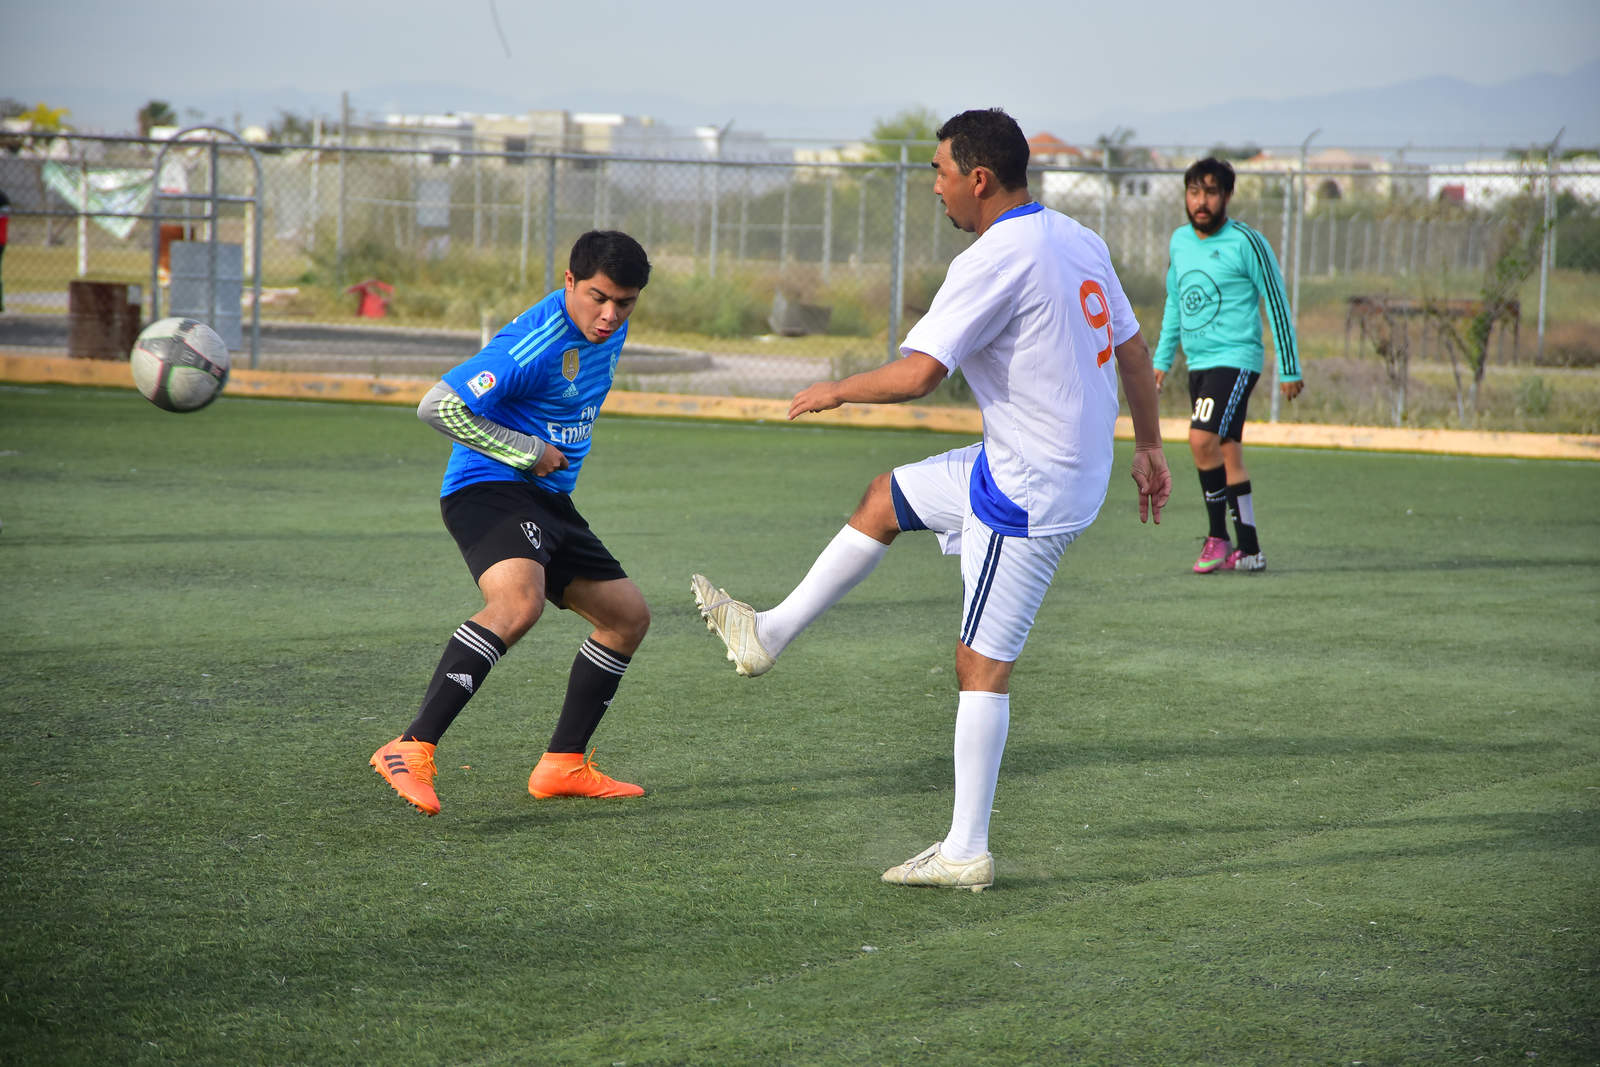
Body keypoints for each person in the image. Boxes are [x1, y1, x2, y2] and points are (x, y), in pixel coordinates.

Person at [690, 109, 1171, 891]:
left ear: (979, 179)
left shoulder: (995, 257)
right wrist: (1149, 447)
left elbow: (919, 375)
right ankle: (765, 634)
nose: (937, 189)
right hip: (1034, 461)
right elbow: (1133, 348)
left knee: (979, 664)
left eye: (942, 174)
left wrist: (837, 388)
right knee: (884, 497)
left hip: (1027, 491)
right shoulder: (1076, 238)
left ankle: (964, 850)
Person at [370, 230, 653, 816]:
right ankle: (410, 747)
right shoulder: (534, 341)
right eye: (598, 297)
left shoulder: (611, 324)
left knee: (626, 618)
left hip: (549, 498)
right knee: (518, 605)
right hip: (488, 488)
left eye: (624, 303)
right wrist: (525, 449)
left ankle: (562, 765)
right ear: (569, 281)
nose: (609, 316)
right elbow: (437, 406)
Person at [1153, 157, 1303, 574]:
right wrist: (1162, 360)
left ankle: (1217, 539)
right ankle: (1250, 550)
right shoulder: (1180, 242)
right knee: (1227, 451)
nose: (1201, 202)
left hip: (1236, 359)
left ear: (1227, 196)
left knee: (1201, 439)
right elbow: (1175, 303)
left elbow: (1275, 302)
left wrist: (1289, 367)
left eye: (1211, 192)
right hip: (1199, 362)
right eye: (1194, 192)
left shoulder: (1246, 242)